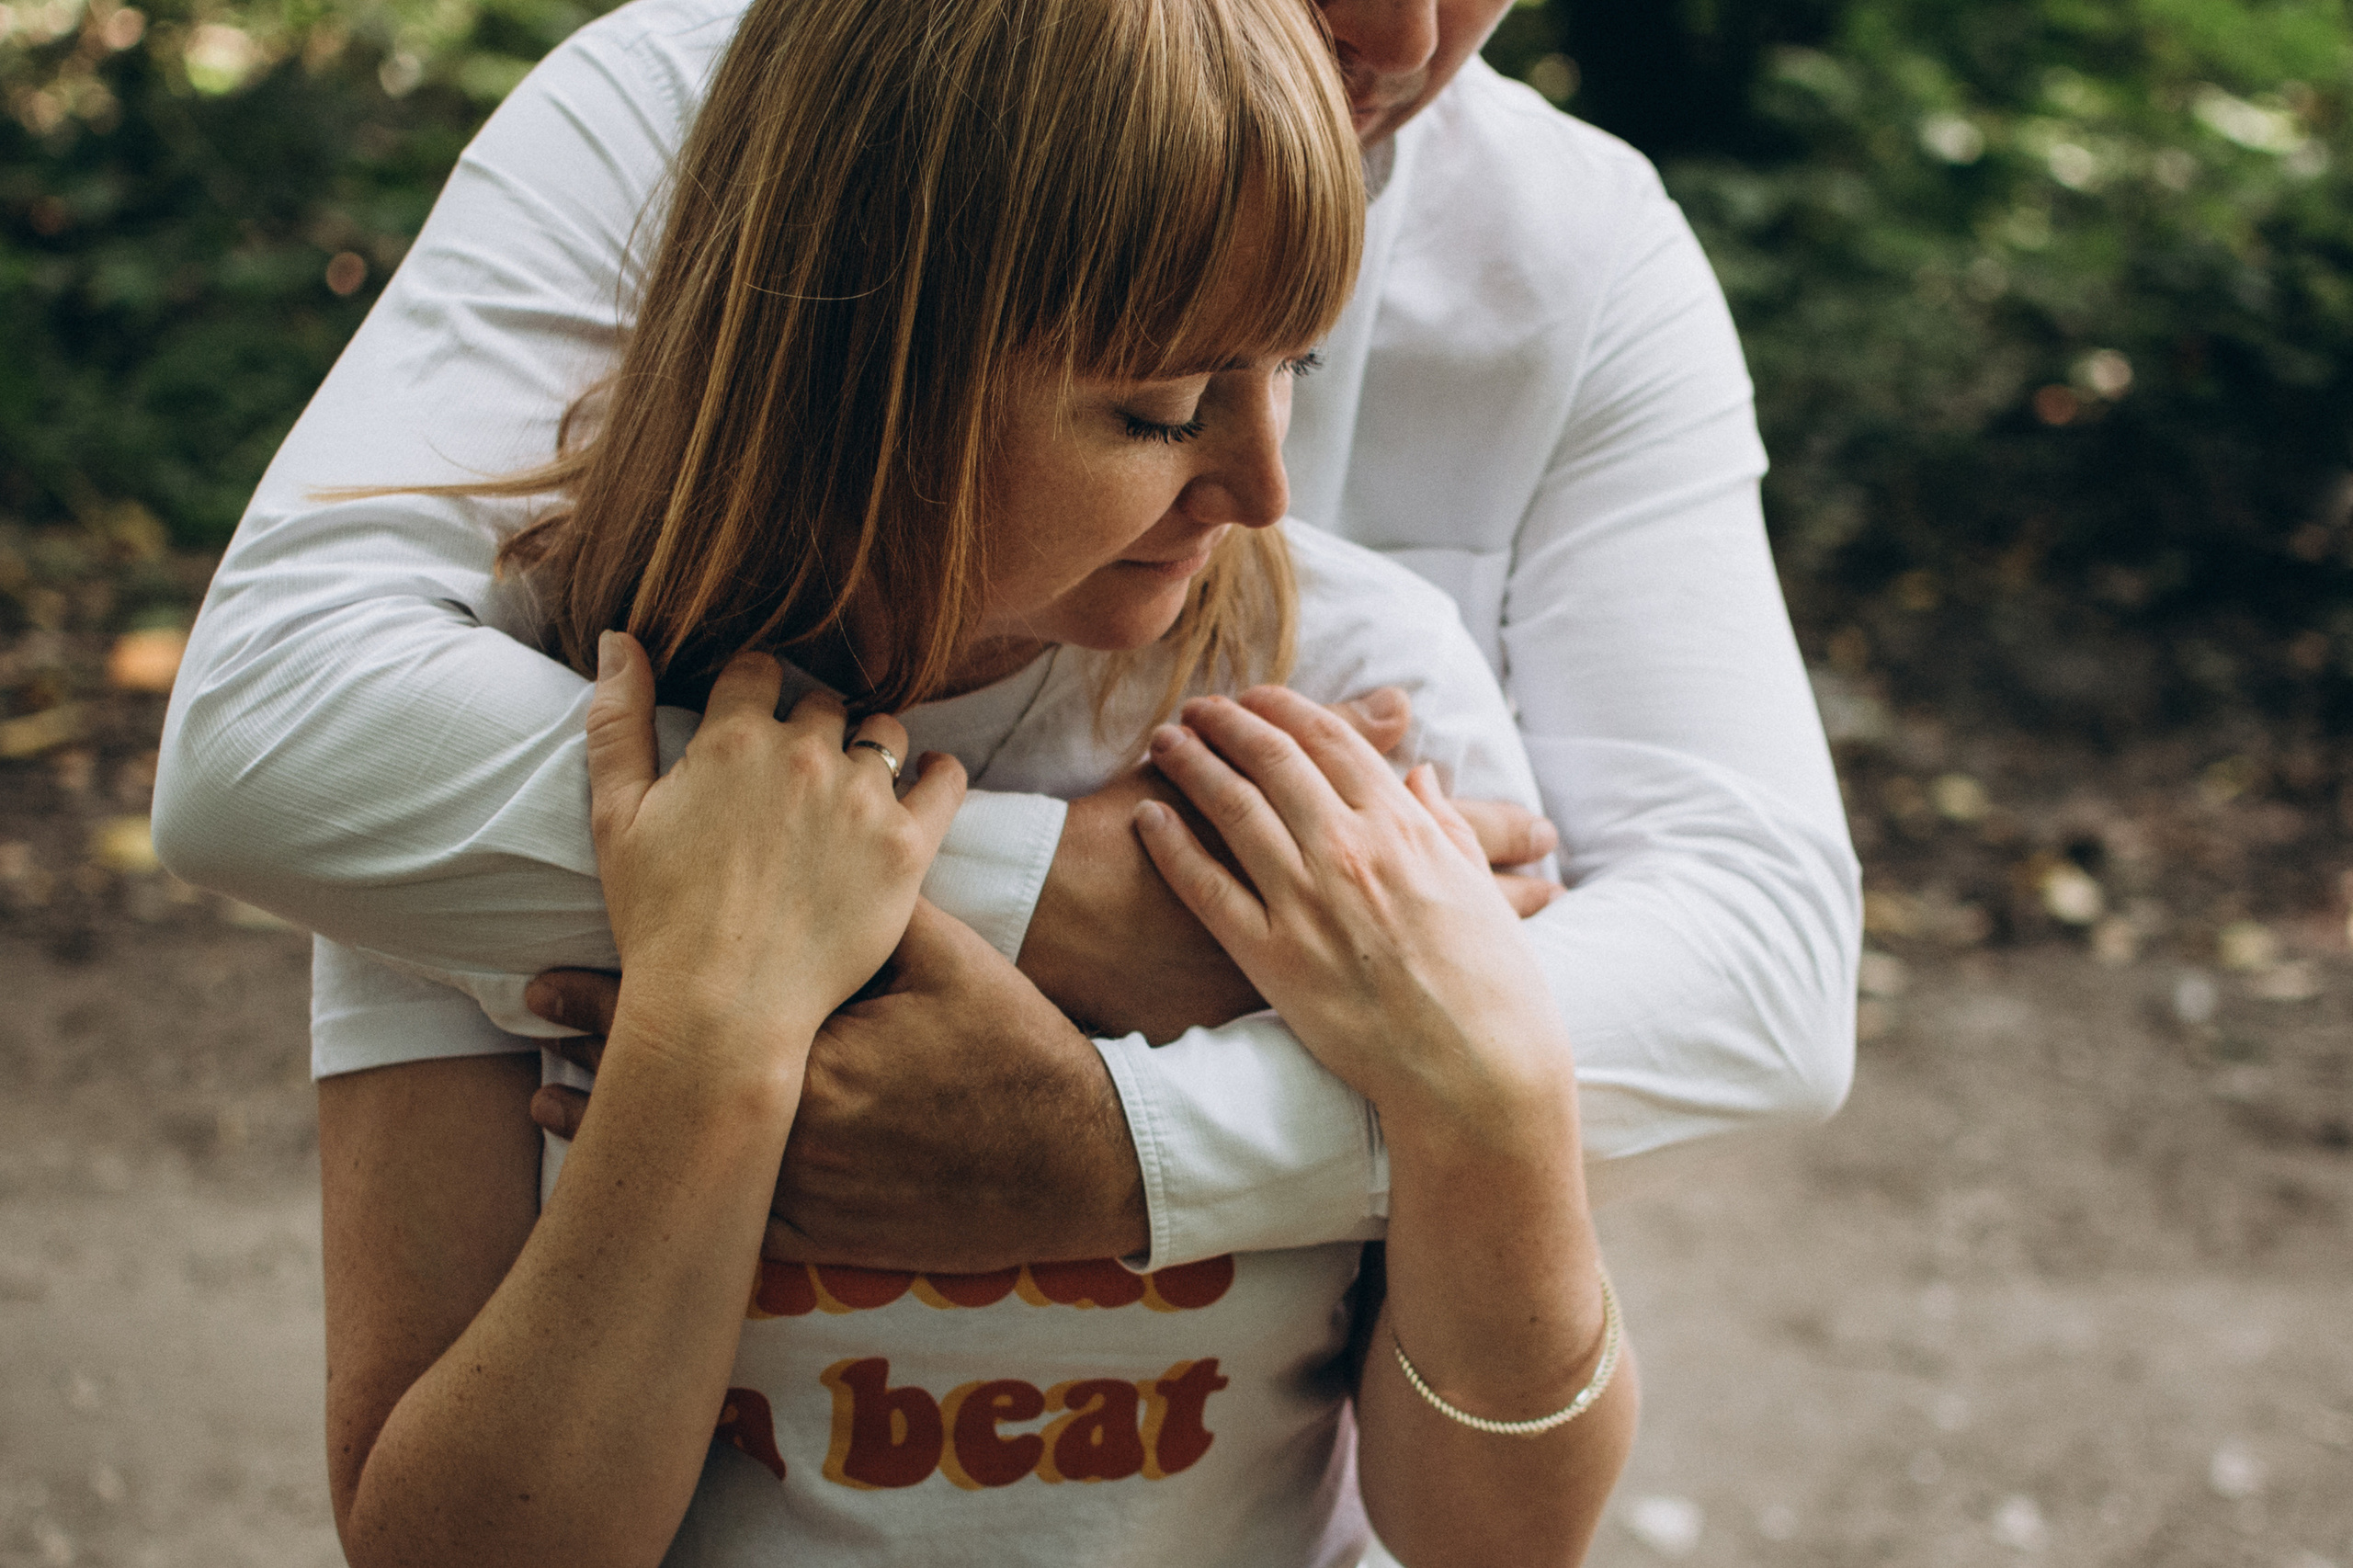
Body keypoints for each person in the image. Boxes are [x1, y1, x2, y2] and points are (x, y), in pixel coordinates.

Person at [153, 0, 1858, 1274]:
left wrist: (1127, 1150)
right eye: (1157, 402)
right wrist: (1063, 903)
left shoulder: (1585, 254)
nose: (1405, 38)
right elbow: (277, 737)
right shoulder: (699, 103)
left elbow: (1758, 974)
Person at [293, 1, 1632, 1562]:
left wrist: (1493, 1108)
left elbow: (1502, 1539)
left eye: (1295, 363)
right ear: (862, 358)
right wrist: (712, 1043)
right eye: (1157, 408)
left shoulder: (1350, 703)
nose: (1264, 486)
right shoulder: (515, 708)